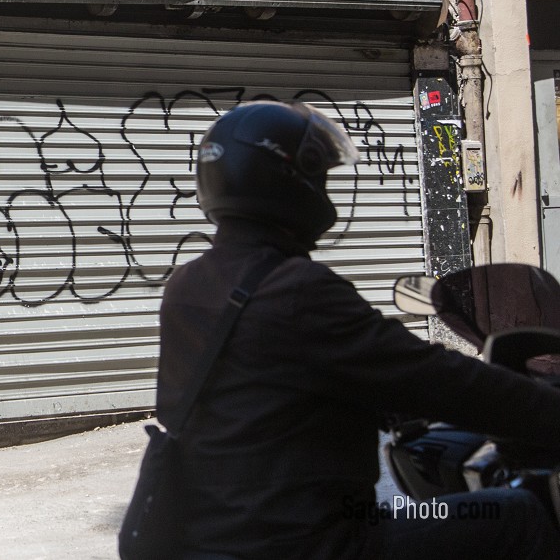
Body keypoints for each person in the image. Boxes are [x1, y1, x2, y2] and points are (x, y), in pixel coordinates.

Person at [158, 101, 560, 560]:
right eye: (321, 177)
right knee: (518, 513)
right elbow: (440, 379)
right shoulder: (296, 291)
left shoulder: (188, 285)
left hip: (221, 531)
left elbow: (263, 390)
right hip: (313, 540)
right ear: (291, 183)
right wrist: (549, 408)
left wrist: (371, 404)